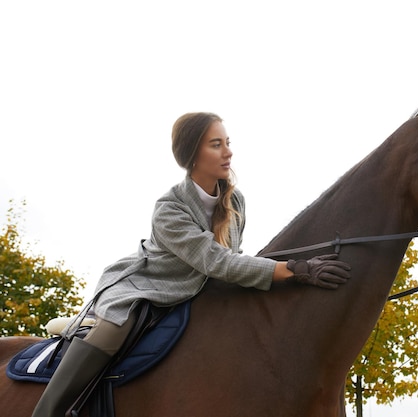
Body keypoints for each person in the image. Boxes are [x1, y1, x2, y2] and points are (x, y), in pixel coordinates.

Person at [31, 112, 351, 417]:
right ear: (192, 155)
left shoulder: (236, 201)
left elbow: (234, 259)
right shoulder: (169, 209)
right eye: (216, 144)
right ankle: (48, 410)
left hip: (199, 289)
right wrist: (296, 269)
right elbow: (216, 261)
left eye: (227, 142)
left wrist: (289, 279)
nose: (228, 152)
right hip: (144, 287)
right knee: (112, 330)